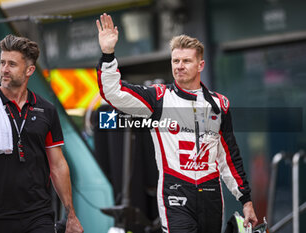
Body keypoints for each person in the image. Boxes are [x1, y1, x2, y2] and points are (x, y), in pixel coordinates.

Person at [96, 13, 258, 233]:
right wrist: (107, 54)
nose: (179, 66)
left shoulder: (219, 104)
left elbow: (229, 157)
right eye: (175, 61)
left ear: (201, 65)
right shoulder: (159, 98)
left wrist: (246, 201)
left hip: (211, 193)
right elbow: (113, 93)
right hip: (175, 191)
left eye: (186, 61)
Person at [0, 34, 83, 233]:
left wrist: (71, 215)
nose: (4, 70)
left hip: (39, 214)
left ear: (29, 70)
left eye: (12, 64)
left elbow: (58, 164)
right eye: (2, 63)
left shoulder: (46, 110)